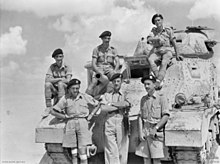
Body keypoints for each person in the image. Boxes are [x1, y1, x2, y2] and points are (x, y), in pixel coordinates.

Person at [50, 78, 99, 164]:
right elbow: (53, 111)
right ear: (69, 89)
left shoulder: (84, 96)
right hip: (70, 123)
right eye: (73, 88)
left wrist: (91, 115)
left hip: (82, 123)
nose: (75, 90)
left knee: (82, 151)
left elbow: (97, 104)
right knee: (74, 152)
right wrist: (64, 116)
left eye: (77, 88)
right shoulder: (65, 98)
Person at [135, 74, 170, 164]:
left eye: (148, 84)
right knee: (146, 159)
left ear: (154, 84)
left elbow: (165, 116)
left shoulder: (161, 98)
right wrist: (140, 131)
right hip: (146, 132)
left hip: (156, 134)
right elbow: (140, 117)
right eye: (145, 84)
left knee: (156, 159)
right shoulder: (143, 99)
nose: (146, 86)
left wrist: (156, 128)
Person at [99, 73, 131, 164]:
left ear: (121, 82)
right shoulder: (107, 95)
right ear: (112, 83)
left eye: (118, 81)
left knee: (122, 150)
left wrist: (111, 104)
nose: (116, 83)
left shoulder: (125, 94)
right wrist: (119, 106)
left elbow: (126, 104)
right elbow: (103, 108)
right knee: (110, 150)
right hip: (110, 122)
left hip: (122, 121)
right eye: (114, 81)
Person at [147, 14, 183, 89]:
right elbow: (149, 39)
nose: (157, 22)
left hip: (167, 50)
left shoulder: (168, 30)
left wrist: (177, 55)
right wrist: (156, 39)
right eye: (155, 21)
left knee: (164, 63)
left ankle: (158, 81)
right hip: (157, 51)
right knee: (150, 59)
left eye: (158, 20)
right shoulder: (153, 31)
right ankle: (159, 78)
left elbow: (174, 43)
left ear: (162, 20)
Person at [86, 31, 120, 99]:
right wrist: (98, 71)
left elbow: (117, 62)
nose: (107, 40)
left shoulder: (113, 50)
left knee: (116, 80)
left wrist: (115, 71)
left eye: (108, 38)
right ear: (102, 39)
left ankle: (116, 97)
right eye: (105, 38)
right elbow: (93, 63)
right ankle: (86, 97)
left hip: (109, 69)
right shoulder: (97, 49)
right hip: (99, 68)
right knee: (94, 82)